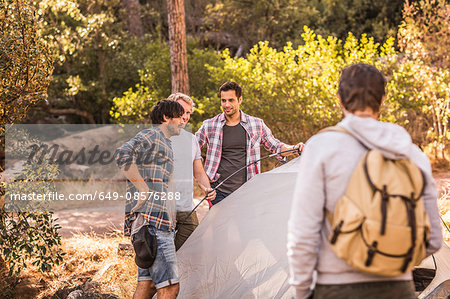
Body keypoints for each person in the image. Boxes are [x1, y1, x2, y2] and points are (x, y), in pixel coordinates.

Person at [287, 63, 442, 299]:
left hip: (335, 287)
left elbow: (303, 233)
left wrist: (301, 290)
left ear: (339, 99)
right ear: (382, 99)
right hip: (398, 288)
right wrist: (391, 258)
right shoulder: (412, 154)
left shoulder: (321, 148)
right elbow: (433, 239)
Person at [115, 99, 184, 299]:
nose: (183, 121)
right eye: (179, 116)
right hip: (153, 225)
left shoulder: (164, 143)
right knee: (170, 288)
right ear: (166, 117)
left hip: (155, 224)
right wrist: (142, 188)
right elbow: (123, 154)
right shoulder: (153, 135)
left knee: (148, 286)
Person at [195, 81, 304, 205]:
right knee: (219, 225)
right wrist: (204, 183)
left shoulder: (256, 124)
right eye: (223, 100)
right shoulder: (209, 125)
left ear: (240, 100)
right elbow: (192, 150)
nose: (226, 104)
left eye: (231, 100)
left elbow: (276, 146)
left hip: (249, 191)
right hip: (218, 193)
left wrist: (295, 148)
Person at [166, 93, 216, 250]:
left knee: (190, 241)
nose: (185, 116)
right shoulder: (158, 136)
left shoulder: (191, 139)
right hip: (164, 206)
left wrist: (207, 188)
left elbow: (199, 172)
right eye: (182, 111)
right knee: (161, 249)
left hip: (186, 205)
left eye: (188, 112)